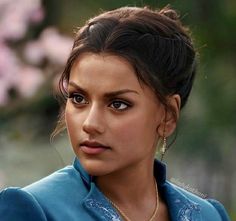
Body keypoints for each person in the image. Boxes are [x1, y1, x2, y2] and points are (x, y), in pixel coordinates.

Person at [0, 5, 231, 221]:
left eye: (118, 104)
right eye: (78, 99)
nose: (90, 123)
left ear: (167, 115)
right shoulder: (33, 208)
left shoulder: (207, 215)